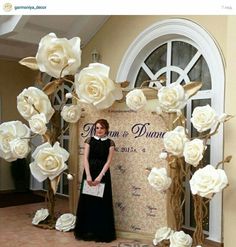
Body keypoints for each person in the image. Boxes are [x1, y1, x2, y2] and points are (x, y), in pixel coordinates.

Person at [74, 119, 116, 243]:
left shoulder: (110, 143)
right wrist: (88, 175)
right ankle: (88, 231)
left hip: (103, 175)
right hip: (89, 174)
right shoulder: (89, 140)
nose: (99, 130)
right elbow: (85, 159)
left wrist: (99, 177)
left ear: (106, 129)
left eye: (102, 128)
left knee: (101, 204)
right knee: (88, 202)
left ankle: (100, 232)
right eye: (97, 128)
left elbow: (108, 161)